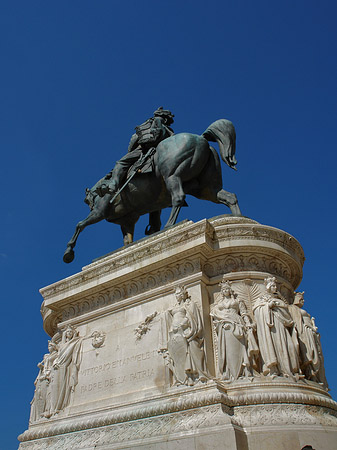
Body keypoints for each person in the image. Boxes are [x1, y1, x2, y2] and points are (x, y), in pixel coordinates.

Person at [95, 106, 174, 198]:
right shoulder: (169, 130)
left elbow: (136, 139)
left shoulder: (156, 120)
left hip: (146, 148)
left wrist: (136, 147)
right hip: (159, 148)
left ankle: (113, 184)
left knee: (121, 162)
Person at [253, 277, 300, 379]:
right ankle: (274, 369)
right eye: (273, 286)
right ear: (268, 287)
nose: (274, 288)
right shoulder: (262, 299)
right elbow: (257, 310)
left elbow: (287, 315)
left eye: (275, 286)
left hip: (280, 326)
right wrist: (268, 306)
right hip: (270, 327)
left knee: (288, 346)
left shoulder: (280, 299)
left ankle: (289, 369)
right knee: (273, 345)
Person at [160, 285, 208, 386]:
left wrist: (183, 324)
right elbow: (167, 315)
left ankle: (194, 376)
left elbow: (191, 316)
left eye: (178, 293)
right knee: (176, 355)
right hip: (175, 333)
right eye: (176, 294)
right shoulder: (174, 307)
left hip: (186, 331)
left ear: (183, 294)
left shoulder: (189, 304)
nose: (176, 296)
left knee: (190, 350)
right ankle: (181, 378)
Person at [211, 279, 257, 381]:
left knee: (239, 347)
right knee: (227, 350)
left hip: (237, 324)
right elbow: (213, 314)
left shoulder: (237, 301)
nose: (225, 290)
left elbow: (244, 313)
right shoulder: (218, 305)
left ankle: (242, 371)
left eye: (227, 289)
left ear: (230, 290)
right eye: (223, 289)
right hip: (225, 328)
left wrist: (248, 324)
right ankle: (229, 372)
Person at [289, 292, 328, 388]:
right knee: (308, 352)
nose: (303, 301)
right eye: (301, 299)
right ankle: (308, 373)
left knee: (312, 352)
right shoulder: (293, 309)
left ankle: (312, 375)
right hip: (303, 331)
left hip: (308, 332)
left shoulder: (297, 310)